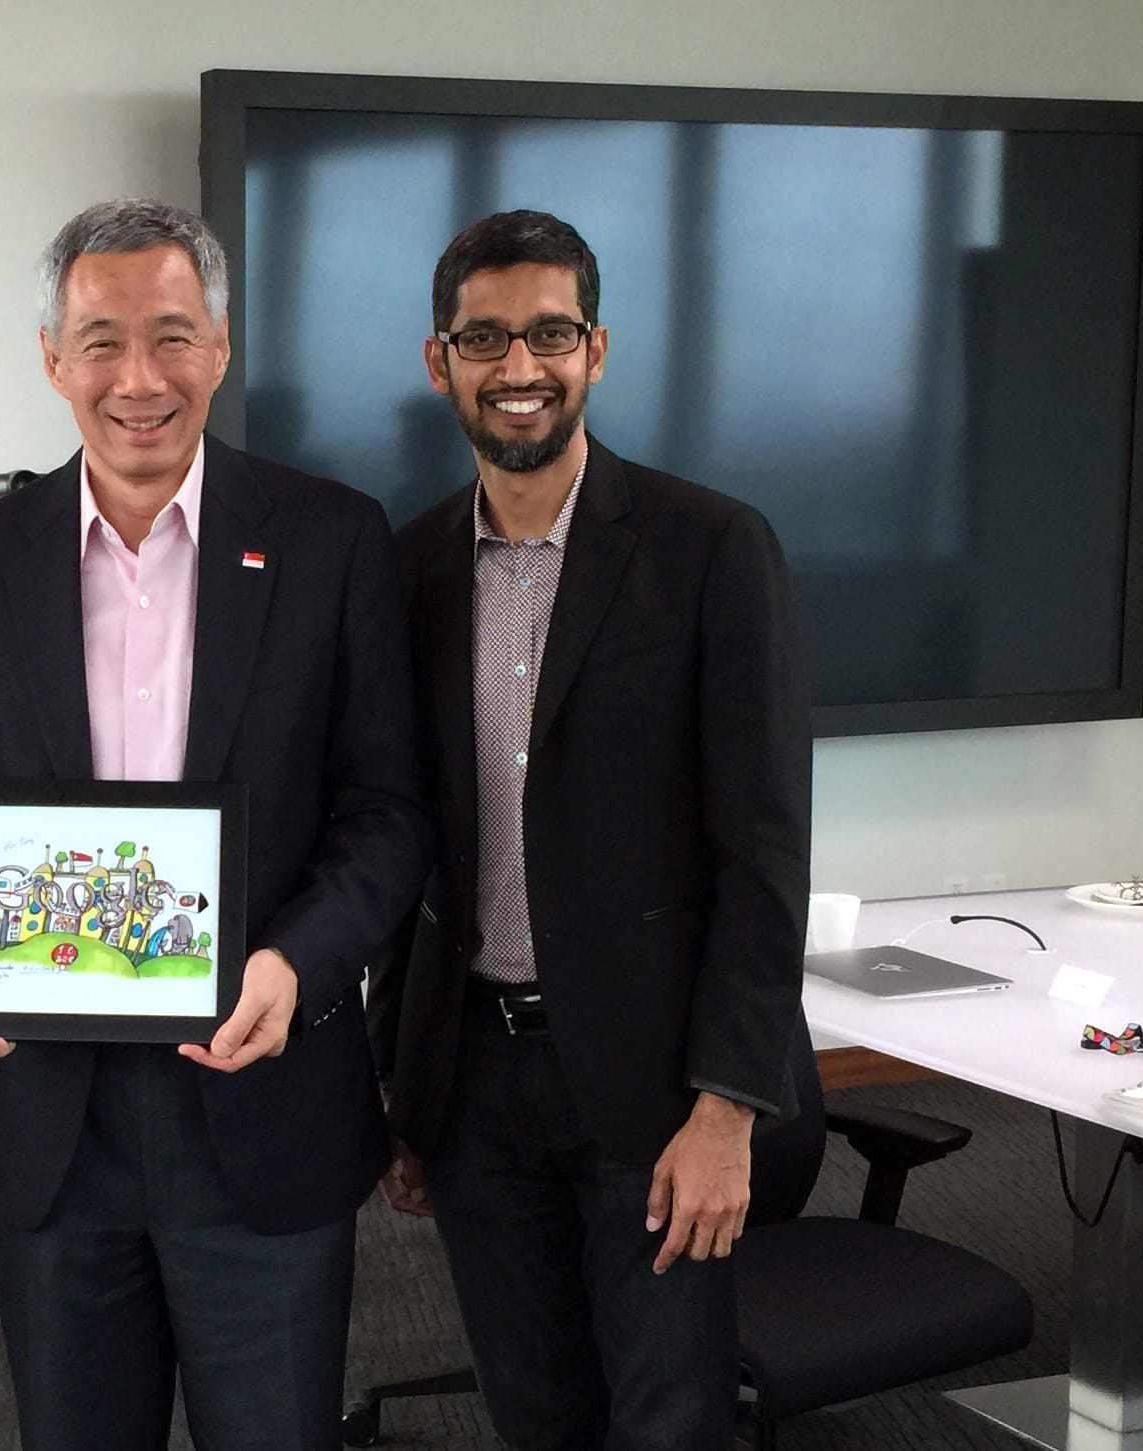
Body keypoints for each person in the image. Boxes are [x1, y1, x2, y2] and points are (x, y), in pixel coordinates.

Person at [0, 197, 430, 1451]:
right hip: (51, 1116)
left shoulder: (330, 538)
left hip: (260, 1098)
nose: (137, 378)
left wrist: (295, 961)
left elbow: (388, 811)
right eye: (100, 341)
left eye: (172, 336)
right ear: (51, 357)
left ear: (221, 346)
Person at [370, 210, 812, 1451]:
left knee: (668, 1417)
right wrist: (404, 1090)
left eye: (549, 333)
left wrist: (728, 1108)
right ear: (439, 361)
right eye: (484, 338)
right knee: (533, 1412)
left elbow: (763, 854)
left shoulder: (711, 547)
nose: (518, 366)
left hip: (654, 1084)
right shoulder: (403, 570)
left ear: (596, 350)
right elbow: (401, 838)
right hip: (473, 1081)